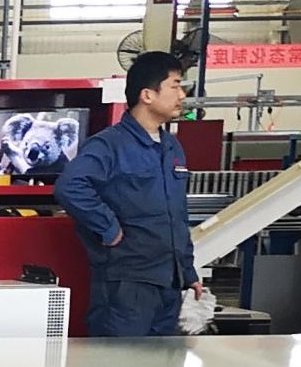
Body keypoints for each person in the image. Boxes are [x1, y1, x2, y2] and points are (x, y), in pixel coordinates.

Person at [54, 51, 201, 338]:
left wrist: (187, 270)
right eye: (175, 86)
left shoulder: (171, 147)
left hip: (169, 283)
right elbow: (70, 185)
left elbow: (177, 215)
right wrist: (108, 227)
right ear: (147, 95)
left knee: (162, 361)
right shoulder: (109, 145)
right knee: (119, 361)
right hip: (127, 284)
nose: (182, 95)